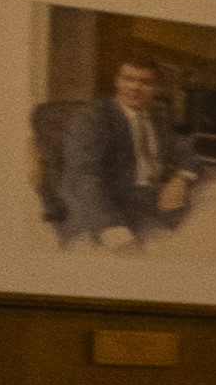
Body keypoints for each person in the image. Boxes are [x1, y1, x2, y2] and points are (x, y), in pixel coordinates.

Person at [31, 51, 197, 250]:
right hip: (110, 204)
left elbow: (187, 152)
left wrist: (180, 179)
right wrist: (109, 225)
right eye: (129, 79)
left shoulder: (158, 118)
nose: (135, 87)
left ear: (155, 88)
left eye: (145, 82)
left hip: (155, 200)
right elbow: (83, 175)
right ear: (117, 81)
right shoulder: (92, 118)